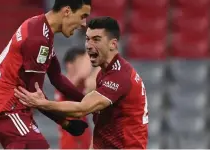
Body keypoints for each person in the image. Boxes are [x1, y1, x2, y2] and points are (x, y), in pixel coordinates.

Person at [0, 0, 92, 149]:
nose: (83, 24)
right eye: (82, 16)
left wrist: (90, 103)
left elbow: (57, 79)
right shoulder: (38, 39)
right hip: (6, 109)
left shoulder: (41, 30)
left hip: (13, 108)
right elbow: (35, 96)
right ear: (67, 11)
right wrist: (65, 122)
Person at [14, 16, 149, 149]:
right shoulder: (104, 75)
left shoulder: (119, 76)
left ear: (113, 44)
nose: (89, 46)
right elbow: (102, 125)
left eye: (96, 40)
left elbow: (82, 109)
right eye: (87, 40)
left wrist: (41, 103)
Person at [55, 47, 94, 149]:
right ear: (70, 65)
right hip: (71, 145)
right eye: (81, 62)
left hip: (84, 143)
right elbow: (82, 73)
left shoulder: (81, 86)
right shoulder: (61, 84)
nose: (86, 64)